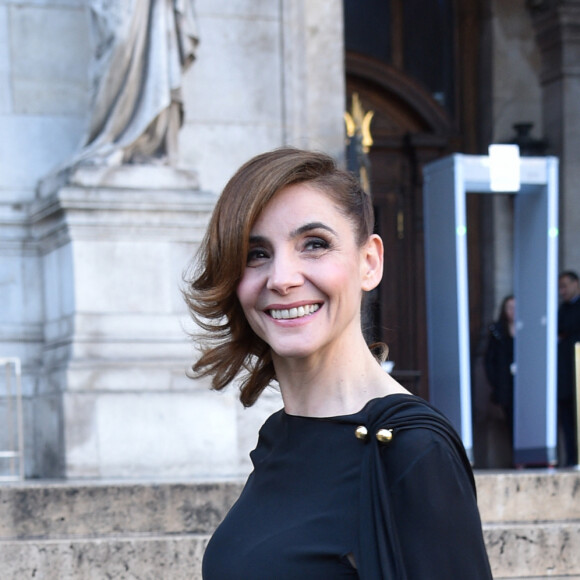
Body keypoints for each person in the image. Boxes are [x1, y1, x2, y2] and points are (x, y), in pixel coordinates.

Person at [184, 148, 492, 579]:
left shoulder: (410, 450)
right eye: (256, 253)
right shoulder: (281, 434)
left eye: (314, 245)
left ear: (369, 263)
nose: (282, 278)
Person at [484, 295, 516, 440]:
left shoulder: (528, 330)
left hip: (524, 384)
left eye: (515, 307)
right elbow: (490, 360)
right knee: (510, 420)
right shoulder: (497, 331)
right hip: (505, 383)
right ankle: (517, 459)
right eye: (509, 308)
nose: (513, 311)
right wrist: (495, 382)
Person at [557, 270, 580, 466]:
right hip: (565, 376)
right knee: (567, 421)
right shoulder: (562, 309)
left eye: (565, 286)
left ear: (576, 283)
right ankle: (572, 458)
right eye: (560, 287)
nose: (562, 291)